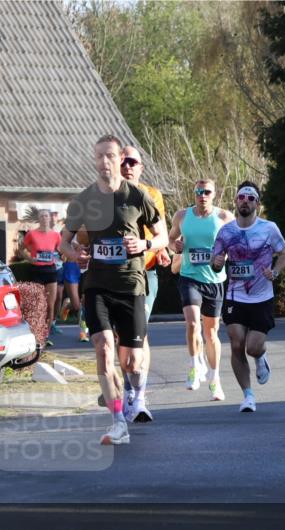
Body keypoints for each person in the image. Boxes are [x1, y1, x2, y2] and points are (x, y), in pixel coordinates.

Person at [60, 134, 168, 445]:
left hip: (131, 285)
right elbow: (63, 242)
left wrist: (145, 243)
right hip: (97, 286)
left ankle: (135, 389)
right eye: (98, 157)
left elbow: (162, 237)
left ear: (120, 159)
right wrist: (74, 253)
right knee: (104, 349)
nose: (103, 162)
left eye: (109, 155)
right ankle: (118, 422)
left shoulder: (137, 196)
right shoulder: (84, 200)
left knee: (132, 362)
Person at [211, 181, 285, 413]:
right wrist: (216, 264)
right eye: (241, 198)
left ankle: (260, 357)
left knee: (252, 348)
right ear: (235, 202)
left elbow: (284, 253)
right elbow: (216, 261)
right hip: (235, 296)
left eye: (250, 198)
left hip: (261, 297)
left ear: (257, 204)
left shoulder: (269, 228)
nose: (245, 201)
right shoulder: (226, 231)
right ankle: (248, 395)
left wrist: (274, 272)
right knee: (236, 343)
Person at [118, 146, 171, 422]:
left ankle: (138, 396)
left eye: (133, 162)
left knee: (139, 333)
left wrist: (156, 248)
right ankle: (128, 389)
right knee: (120, 337)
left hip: (144, 274)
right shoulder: (104, 196)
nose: (127, 166)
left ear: (141, 167)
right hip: (113, 275)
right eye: (123, 161)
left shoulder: (153, 196)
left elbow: (158, 232)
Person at [169, 179, 233, 401]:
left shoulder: (224, 217)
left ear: (214, 194)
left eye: (206, 192)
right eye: (198, 191)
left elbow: (235, 244)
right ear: (194, 193)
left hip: (214, 281)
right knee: (192, 323)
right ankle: (195, 365)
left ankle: (215, 380)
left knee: (211, 333)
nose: (202, 195)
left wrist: (223, 255)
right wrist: (174, 246)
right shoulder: (182, 216)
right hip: (189, 277)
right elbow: (170, 239)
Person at [18, 209, 62, 346]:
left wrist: (64, 257)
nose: (44, 218)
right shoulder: (32, 234)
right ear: (39, 218)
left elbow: (61, 251)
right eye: (41, 216)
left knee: (50, 304)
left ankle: (46, 335)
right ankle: (36, 333)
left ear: (49, 218)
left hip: (51, 270)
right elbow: (21, 249)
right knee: (38, 304)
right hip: (36, 270)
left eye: (46, 216)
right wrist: (29, 259)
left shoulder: (56, 235)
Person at [54, 211, 87, 341]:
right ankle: (68, 305)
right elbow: (61, 246)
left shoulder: (92, 228)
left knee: (86, 302)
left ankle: (83, 332)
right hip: (71, 266)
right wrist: (74, 246)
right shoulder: (66, 230)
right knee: (77, 305)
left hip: (87, 266)